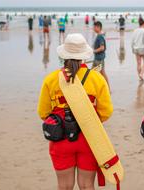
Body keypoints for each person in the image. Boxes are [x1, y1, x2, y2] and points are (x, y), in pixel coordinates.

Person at [38, 33, 113, 190]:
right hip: (89, 139)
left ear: (64, 54)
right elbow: (106, 112)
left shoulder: (52, 79)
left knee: (64, 186)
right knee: (86, 186)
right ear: (84, 56)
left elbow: (43, 113)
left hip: (61, 138)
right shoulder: (97, 78)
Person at [92, 21, 110, 88]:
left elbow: (102, 48)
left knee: (99, 73)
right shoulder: (100, 35)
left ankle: (107, 88)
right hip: (98, 58)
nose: (93, 28)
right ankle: (102, 87)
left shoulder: (100, 36)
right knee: (95, 73)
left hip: (99, 59)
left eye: (94, 27)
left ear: (98, 27)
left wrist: (93, 51)